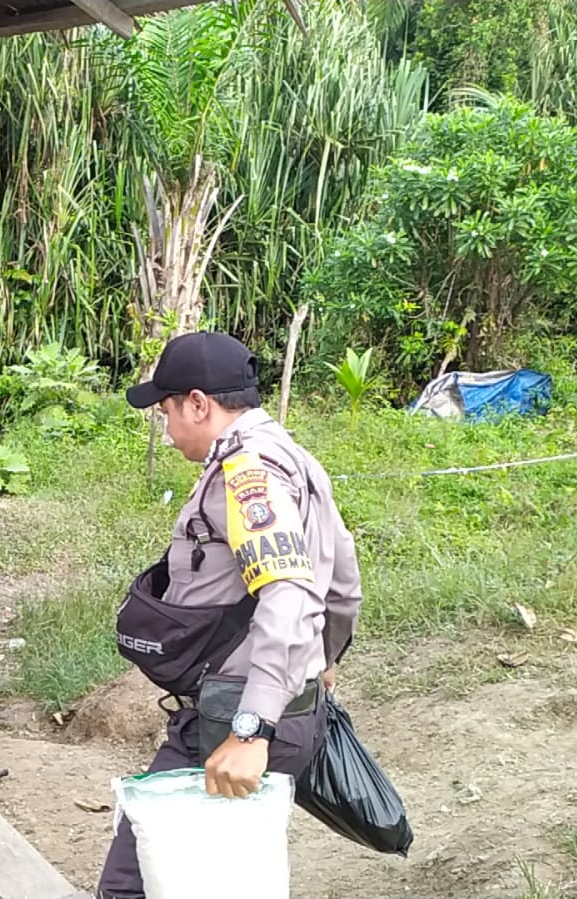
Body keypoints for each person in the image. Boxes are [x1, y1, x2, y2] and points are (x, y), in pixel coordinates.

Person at [98, 332, 364, 899]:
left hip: (234, 717)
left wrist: (252, 729)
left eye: (167, 411)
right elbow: (342, 586)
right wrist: (322, 660)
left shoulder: (248, 475)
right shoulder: (297, 459)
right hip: (284, 708)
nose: (167, 429)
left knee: (131, 883)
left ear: (198, 404)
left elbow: (289, 591)